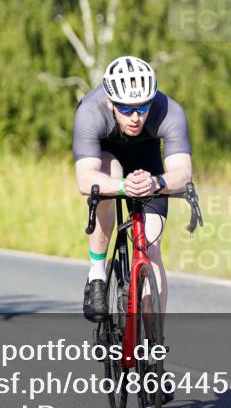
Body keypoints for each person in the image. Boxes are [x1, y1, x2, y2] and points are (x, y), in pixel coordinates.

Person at [73, 55, 192, 322]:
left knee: (151, 249)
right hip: (107, 158)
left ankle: (153, 342)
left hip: (146, 163)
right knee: (107, 175)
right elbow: (85, 180)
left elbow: (183, 173)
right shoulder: (90, 111)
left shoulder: (169, 110)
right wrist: (123, 185)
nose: (136, 117)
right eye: (126, 109)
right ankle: (97, 273)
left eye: (143, 107)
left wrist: (157, 182)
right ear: (110, 102)